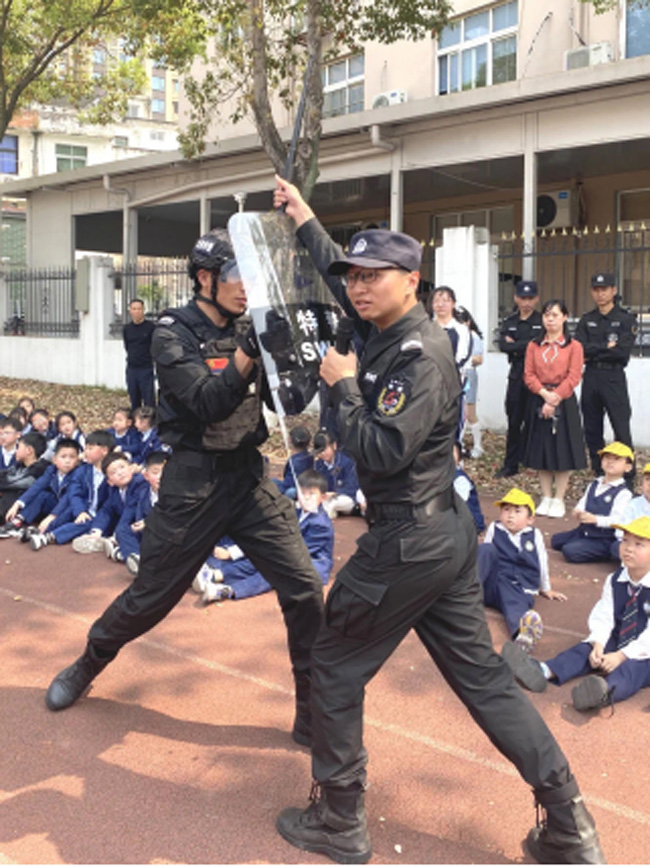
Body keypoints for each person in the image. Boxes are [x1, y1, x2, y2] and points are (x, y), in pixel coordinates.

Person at [273, 176, 604, 866]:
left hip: (408, 538)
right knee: (482, 678)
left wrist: (342, 384)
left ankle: (339, 821)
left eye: (374, 276)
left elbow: (383, 449)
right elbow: (343, 284)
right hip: (442, 531)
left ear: (413, 281)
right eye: (354, 276)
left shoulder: (418, 356)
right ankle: (569, 822)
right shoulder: (386, 327)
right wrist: (304, 216)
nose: (359, 287)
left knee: (333, 662)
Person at [44, 228, 324, 751]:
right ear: (205, 279)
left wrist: (296, 357)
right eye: (238, 275)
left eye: (252, 275)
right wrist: (248, 350)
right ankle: (88, 663)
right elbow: (206, 402)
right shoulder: (172, 332)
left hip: (248, 477)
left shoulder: (253, 324)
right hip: (192, 484)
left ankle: (311, 711)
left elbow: (288, 401)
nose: (247, 287)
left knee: (305, 588)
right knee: (149, 598)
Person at [503, 515, 650, 712]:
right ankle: (544, 671)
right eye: (625, 541)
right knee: (584, 650)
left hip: (645, 651)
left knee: (633, 670)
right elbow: (604, 614)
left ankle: (601, 694)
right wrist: (598, 643)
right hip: (619, 636)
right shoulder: (614, 580)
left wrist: (621, 656)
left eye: (639, 544)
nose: (629, 548)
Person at [196, 468, 334, 604]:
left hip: (312, 564)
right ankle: (215, 575)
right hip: (291, 553)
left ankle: (227, 590)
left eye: (312, 493)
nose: (307, 497)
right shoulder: (297, 512)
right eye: (303, 493)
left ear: (323, 497)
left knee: (274, 570)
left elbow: (301, 552)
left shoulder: (321, 525)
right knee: (264, 558)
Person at [478, 488, 566, 651]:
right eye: (506, 510)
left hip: (520, 588)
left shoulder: (534, 535)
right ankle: (467, 592)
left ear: (530, 519)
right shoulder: (495, 528)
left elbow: (542, 562)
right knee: (485, 549)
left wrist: (546, 588)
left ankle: (522, 635)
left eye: (517, 511)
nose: (510, 515)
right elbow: (485, 560)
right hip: (492, 584)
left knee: (514, 604)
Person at [522, 299, 587, 518]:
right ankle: (546, 495)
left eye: (555, 315)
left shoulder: (574, 346)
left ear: (565, 317)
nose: (550, 319)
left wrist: (555, 398)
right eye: (547, 315)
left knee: (562, 449)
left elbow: (574, 375)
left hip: (564, 400)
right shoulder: (534, 345)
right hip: (539, 397)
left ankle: (559, 498)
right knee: (541, 448)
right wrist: (544, 395)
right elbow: (529, 374)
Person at [574, 273, 636, 477]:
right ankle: (599, 474)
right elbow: (580, 349)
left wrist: (595, 350)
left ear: (613, 291)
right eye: (596, 290)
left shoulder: (625, 319)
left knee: (621, 429)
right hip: (591, 377)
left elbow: (621, 352)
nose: (600, 294)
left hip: (613, 377)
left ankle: (626, 477)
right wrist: (605, 347)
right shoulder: (587, 319)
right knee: (592, 430)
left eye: (604, 289)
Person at [28, 430, 115, 551]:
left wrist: (95, 522)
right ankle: (42, 530)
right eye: (85, 448)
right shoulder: (83, 470)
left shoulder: (112, 473)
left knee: (84, 523)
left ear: (104, 451)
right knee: (69, 510)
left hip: (102, 517)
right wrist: (80, 511)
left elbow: (109, 505)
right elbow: (74, 494)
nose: (85, 453)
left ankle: (49, 537)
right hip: (86, 510)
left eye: (90, 448)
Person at [551, 442, 634, 564]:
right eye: (606, 458)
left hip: (603, 538)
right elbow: (583, 502)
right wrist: (578, 511)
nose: (610, 462)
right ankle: (582, 543)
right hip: (583, 531)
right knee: (555, 541)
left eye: (616, 459)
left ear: (627, 467)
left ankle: (605, 553)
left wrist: (595, 519)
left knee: (570, 551)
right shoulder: (594, 484)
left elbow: (618, 520)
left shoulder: (623, 493)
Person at [496, 280, 543, 478]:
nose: (526, 302)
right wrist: (527, 346)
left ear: (537, 299)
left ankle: (535, 462)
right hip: (516, 376)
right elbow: (503, 346)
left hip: (538, 377)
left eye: (530, 298)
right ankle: (511, 465)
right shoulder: (510, 321)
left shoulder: (542, 321)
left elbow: (539, 346)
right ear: (516, 298)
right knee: (514, 421)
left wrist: (518, 346)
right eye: (522, 298)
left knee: (536, 421)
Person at [71, 451, 149, 558]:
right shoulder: (114, 490)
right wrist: (97, 530)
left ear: (131, 468)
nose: (120, 473)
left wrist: (116, 535)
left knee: (124, 532)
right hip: (130, 527)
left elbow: (130, 511)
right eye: (113, 472)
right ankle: (107, 544)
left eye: (122, 467)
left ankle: (122, 550)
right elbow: (106, 509)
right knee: (102, 518)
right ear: (110, 482)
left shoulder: (139, 483)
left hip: (145, 525)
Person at [0, 438, 82, 539]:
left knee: (68, 508)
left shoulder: (78, 473)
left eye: (72, 457)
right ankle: (17, 522)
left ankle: (39, 532)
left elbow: (68, 497)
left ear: (78, 460)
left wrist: (52, 516)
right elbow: (37, 486)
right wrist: (17, 504)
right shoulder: (51, 470)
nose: (67, 461)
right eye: (63, 456)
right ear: (54, 460)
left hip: (69, 508)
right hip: (54, 504)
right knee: (42, 494)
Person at [116, 451, 168, 577]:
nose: (161, 477)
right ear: (146, 475)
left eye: (166, 472)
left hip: (166, 534)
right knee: (123, 530)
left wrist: (149, 523)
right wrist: (140, 524)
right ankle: (136, 558)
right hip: (147, 534)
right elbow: (139, 516)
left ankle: (125, 553)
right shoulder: (143, 493)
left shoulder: (176, 495)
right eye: (155, 473)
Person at [313, 429, 363, 519]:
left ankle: (322, 524)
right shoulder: (317, 466)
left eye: (325, 449)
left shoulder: (347, 462)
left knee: (333, 503)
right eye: (320, 451)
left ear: (334, 446)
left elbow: (351, 488)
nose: (323, 453)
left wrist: (334, 493)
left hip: (346, 498)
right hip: (325, 498)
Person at [0, 433, 48, 522]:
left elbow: (14, 483)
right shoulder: (18, 466)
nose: (15, 451)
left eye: (18, 447)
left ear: (29, 450)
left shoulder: (41, 470)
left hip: (25, 509)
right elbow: (4, 475)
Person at [456, 306, 484, 458]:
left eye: (462, 321)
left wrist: (463, 358)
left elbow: (479, 359)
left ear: (468, 322)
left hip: (468, 374)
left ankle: (478, 446)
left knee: (469, 411)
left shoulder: (473, 336)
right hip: (455, 375)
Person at [612, 461, 650, 559]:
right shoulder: (633, 504)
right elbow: (620, 531)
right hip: (635, 545)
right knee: (615, 547)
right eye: (647, 479)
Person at [123, 298, 156, 410]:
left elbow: (154, 347)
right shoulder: (127, 329)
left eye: (139, 309)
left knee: (149, 401)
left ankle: (151, 425)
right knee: (134, 400)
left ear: (143, 310)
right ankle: (136, 425)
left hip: (146, 368)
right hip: (132, 369)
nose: (136, 311)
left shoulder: (151, 328)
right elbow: (127, 346)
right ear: (130, 311)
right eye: (134, 309)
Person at [452, 440, 485, 534]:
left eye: (451, 453)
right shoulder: (442, 475)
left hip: (469, 521)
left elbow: (459, 502)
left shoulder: (460, 479)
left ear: (459, 460)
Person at [274, 425, 314, 499]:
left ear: (290, 440)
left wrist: (280, 488)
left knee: (274, 483)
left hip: (295, 489)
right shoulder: (310, 457)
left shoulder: (294, 461)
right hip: (304, 488)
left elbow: (290, 481)